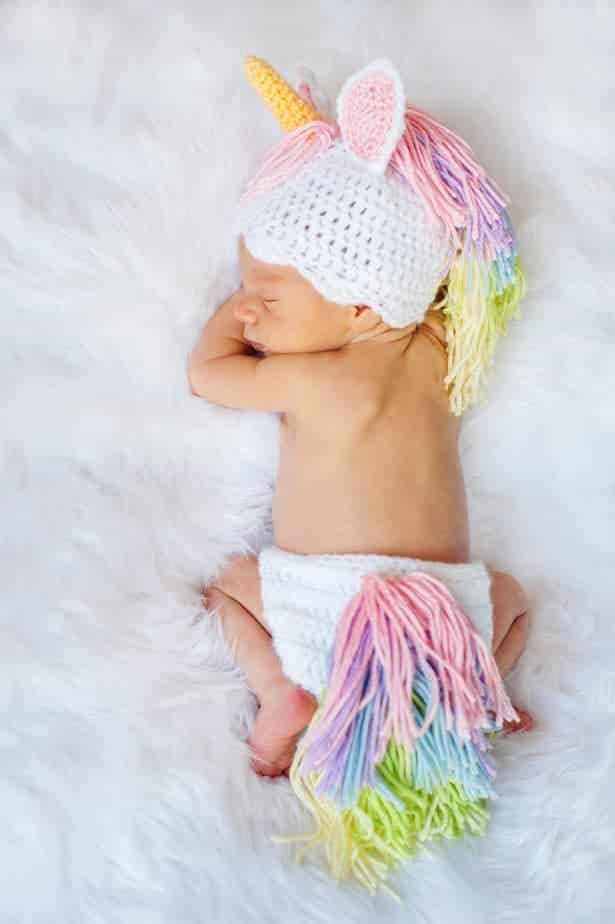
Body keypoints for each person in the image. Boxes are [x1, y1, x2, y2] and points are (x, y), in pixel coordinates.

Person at [188, 56, 534, 893]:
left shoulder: (311, 378)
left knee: (230, 586)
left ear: (359, 307)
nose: (247, 304)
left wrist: (217, 324)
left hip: (328, 621)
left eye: (264, 287)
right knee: (514, 596)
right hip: (445, 624)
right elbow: (447, 286)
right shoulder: (440, 355)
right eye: (242, 287)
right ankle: (485, 689)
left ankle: (280, 697)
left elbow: (207, 377)